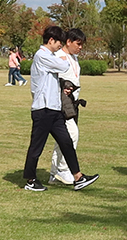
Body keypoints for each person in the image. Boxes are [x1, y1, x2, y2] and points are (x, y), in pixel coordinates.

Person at [23, 26, 98, 192]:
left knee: (67, 142)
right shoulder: (42, 55)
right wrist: (64, 60)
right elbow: (64, 67)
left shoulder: (50, 56)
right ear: (51, 40)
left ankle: (78, 177)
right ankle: (30, 180)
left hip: (54, 109)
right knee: (36, 147)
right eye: (59, 42)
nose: (60, 46)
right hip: (43, 109)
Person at [50, 28, 87, 186]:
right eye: (78, 44)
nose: (80, 47)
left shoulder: (74, 58)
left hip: (73, 103)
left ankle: (54, 174)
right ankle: (64, 170)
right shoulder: (58, 57)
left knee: (62, 140)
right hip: (62, 104)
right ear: (68, 42)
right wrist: (62, 87)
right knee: (71, 135)